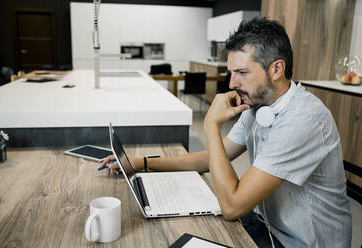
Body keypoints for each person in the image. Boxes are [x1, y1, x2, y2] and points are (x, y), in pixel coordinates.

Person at [101, 17, 352, 248]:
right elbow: (212, 157)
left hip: (296, 243)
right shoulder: (258, 105)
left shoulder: (302, 120)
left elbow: (232, 206)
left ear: (276, 69)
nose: (232, 84)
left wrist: (210, 123)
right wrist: (139, 163)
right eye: (231, 73)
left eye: (242, 73)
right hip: (265, 225)